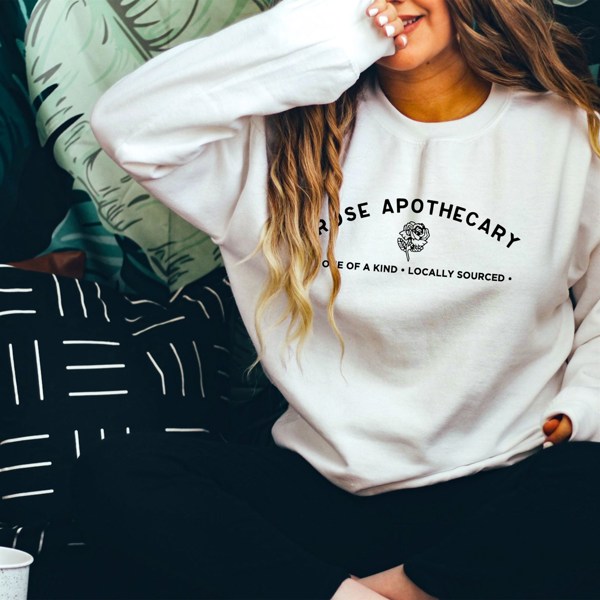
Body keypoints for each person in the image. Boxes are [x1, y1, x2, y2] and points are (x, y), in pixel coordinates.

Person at [73, 0, 600, 598]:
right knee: (118, 477)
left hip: (499, 491)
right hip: (321, 492)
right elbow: (127, 124)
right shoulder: (275, 146)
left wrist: (584, 406)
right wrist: (328, 37)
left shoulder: (569, 132)